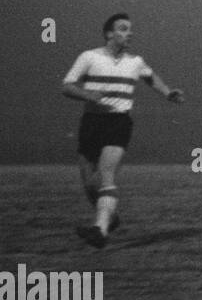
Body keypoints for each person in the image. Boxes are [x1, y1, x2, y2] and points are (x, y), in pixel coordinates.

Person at [61, 13, 185, 248]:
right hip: (91, 122)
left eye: (130, 29)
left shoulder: (135, 61)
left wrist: (168, 92)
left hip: (118, 123)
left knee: (107, 175)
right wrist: (88, 95)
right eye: (123, 29)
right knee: (89, 184)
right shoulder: (89, 57)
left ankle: (100, 230)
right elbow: (67, 86)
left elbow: (150, 77)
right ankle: (109, 217)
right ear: (109, 33)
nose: (130, 33)